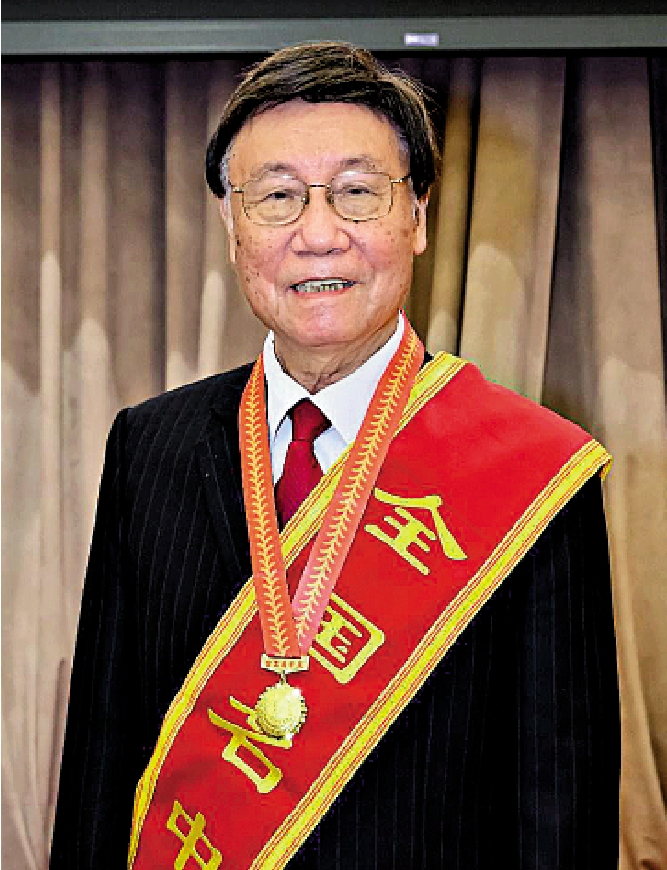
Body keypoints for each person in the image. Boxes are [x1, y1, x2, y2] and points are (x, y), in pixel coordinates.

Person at [50, 42, 620, 870]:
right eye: (276, 197)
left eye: (356, 192)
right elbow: (103, 761)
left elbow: (559, 802)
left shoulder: (533, 470)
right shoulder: (149, 445)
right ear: (232, 225)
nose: (318, 235)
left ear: (416, 216)